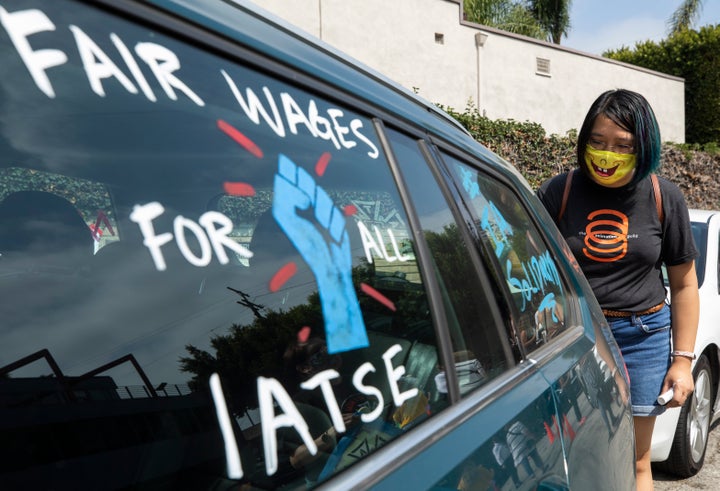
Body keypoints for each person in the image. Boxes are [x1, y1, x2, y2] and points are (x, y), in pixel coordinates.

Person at [537, 88, 699, 490]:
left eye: (622, 146)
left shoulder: (665, 197)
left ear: (643, 147)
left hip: (642, 338)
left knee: (636, 460)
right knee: (572, 454)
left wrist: (682, 360)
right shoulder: (560, 192)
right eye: (597, 141)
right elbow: (531, 269)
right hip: (574, 337)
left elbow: (683, 284)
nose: (607, 154)